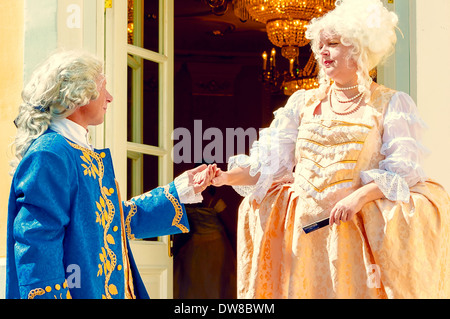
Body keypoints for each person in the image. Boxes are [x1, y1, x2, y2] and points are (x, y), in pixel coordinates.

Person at [210, 0, 450, 298]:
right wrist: (224, 177)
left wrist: (359, 197)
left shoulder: (390, 103)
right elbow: (268, 164)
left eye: (333, 44)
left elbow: (403, 169)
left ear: (359, 49)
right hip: (303, 236)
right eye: (319, 45)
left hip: (354, 232)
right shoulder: (302, 103)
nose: (321, 51)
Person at [6, 50, 215, 299]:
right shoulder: (50, 154)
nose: (110, 97)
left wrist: (180, 190)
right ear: (79, 94)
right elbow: (37, 244)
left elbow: (110, 221)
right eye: (103, 86)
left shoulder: (75, 150)